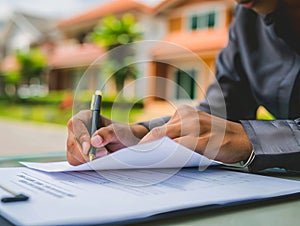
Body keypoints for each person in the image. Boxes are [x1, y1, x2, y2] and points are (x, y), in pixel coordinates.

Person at [66, 0, 300, 172]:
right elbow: (219, 115)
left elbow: (232, 133)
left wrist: (248, 139)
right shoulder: (246, 20)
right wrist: (139, 133)